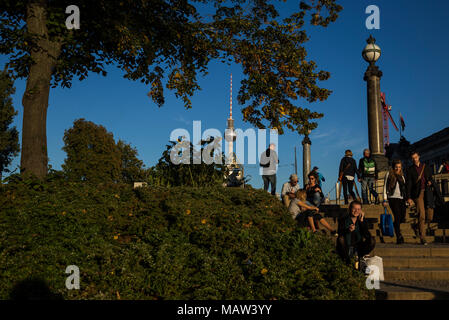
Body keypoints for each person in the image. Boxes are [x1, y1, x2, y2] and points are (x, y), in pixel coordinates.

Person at [406, 151, 434, 245]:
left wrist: (429, 181)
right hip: (418, 194)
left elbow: (430, 177)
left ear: (419, 157)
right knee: (421, 215)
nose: (414, 159)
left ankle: (418, 226)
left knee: (430, 215)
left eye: (416, 157)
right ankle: (423, 237)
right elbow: (408, 184)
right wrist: (409, 197)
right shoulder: (410, 170)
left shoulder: (425, 167)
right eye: (413, 158)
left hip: (427, 192)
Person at [336, 200, 375, 265]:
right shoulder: (343, 219)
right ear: (350, 209)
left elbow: (367, 235)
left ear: (361, 211)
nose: (356, 211)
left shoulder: (362, 220)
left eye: (358, 209)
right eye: (354, 209)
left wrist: (361, 222)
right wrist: (348, 230)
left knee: (372, 240)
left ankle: (362, 255)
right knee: (341, 239)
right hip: (346, 245)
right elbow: (340, 232)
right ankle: (346, 259)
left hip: (359, 245)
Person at [382, 160, 407, 244]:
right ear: (393, 167)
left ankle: (395, 226)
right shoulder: (389, 174)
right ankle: (399, 236)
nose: (398, 168)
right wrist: (384, 199)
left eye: (399, 167)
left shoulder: (402, 176)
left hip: (401, 198)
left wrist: (406, 199)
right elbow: (385, 187)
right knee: (397, 216)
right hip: (392, 198)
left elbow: (404, 189)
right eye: (396, 167)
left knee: (402, 217)